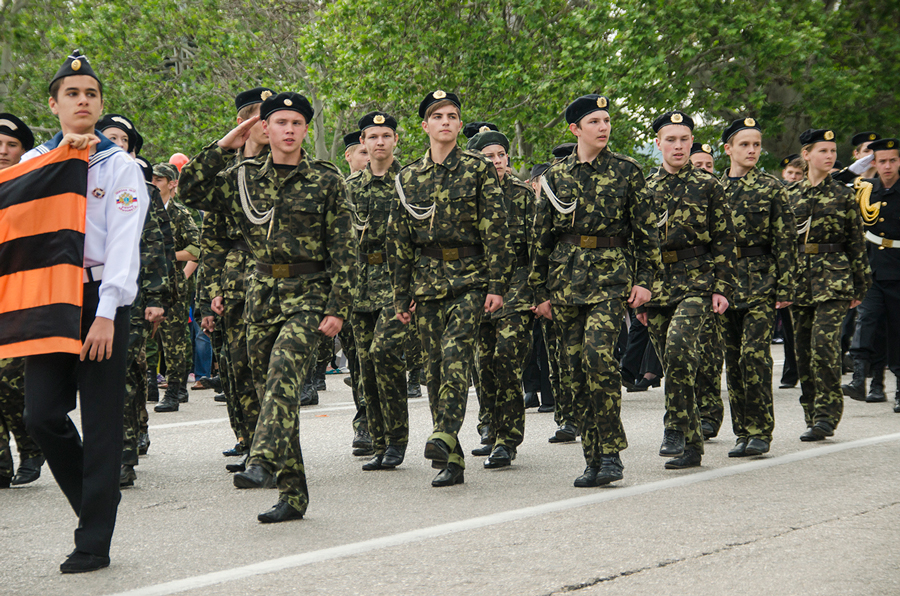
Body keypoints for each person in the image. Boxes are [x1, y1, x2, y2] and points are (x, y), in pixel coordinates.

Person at [179, 91, 355, 522]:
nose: (289, 130)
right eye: (280, 122)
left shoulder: (326, 180)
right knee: (273, 393)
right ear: (266, 128)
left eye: (296, 123)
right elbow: (189, 189)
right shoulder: (242, 177)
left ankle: (260, 458)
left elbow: (345, 249)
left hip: (309, 292)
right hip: (261, 296)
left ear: (306, 130)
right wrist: (228, 141)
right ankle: (293, 495)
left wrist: (339, 306)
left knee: (282, 374)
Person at [21, 50, 148, 572]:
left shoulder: (119, 166)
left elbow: (124, 243)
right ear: (54, 105)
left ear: (99, 105)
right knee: (41, 415)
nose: (82, 101)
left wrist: (107, 311)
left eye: (91, 94)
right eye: (72, 94)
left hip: (100, 299)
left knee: (101, 425)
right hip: (47, 299)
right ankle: (96, 504)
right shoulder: (31, 166)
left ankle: (93, 539)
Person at [531, 94, 660, 486]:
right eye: (594, 122)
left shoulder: (627, 171)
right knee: (573, 373)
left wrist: (645, 281)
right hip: (566, 283)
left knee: (598, 360)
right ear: (575, 129)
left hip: (610, 278)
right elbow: (542, 236)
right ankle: (593, 457)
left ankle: (610, 453)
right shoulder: (556, 176)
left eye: (606, 120)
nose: (603, 127)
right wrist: (539, 292)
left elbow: (646, 230)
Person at [388, 90, 513, 487]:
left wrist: (497, 284)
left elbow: (497, 230)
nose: (445, 121)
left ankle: (441, 432)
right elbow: (399, 240)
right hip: (425, 282)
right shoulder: (407, 177)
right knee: (435, 370)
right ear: (425, 126)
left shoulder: (478, 170)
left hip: (470, 278)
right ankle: (451, 458)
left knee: (456, 353)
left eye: (452, 115)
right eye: (437, 116)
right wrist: (399, 292)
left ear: (460, 125)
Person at [642, 110, 736, 470]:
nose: (678, 146)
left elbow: (726, 239)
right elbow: (637, 242)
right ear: (659, 143)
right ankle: (693, 445)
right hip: (656, 286)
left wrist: (722, 287)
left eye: (684, 139)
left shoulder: (709, 185)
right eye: (671, 139)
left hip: (697, 280)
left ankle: (675, 427)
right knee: (672, 363)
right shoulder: (646, 188)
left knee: (681, 349)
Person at [188, 87, 274, 474]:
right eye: (253, 117)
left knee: (268, 372)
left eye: (266, 116)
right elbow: (208, 236)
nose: (262, 124)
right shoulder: (225, 175)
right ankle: (249, 440)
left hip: (276, 281)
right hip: (234, 285)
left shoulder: (285, 167)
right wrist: (209, 297)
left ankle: (267, 450)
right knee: (237, 368)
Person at [717, 118, 796, 457]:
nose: (752, 151)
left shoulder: (771, 187)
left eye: (756, 145)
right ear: (728, 149)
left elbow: (785, 239)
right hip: (725, 284)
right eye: (745, 145)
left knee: (755, 355)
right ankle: (742, 431)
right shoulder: (714, 188)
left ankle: (761, 429)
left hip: (762, 280)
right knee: (732, 359)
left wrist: (786, 285)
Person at [788, 128, 870, 441]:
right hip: (800, 280)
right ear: (806, 155)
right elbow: (782, 243)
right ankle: (812, 413)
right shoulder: (790, 195)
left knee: (824, 345)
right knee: (804, 350)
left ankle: (827, 415)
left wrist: (860, 286)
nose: (830, 156)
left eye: (833, 151)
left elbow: (855, 242)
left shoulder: (843, 195)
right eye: (823, 151)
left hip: (835, 278)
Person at [468, 127, 536, 469]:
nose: (496, 162)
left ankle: (508, 439)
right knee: (484, 365)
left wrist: (540, 292)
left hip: (517, 287)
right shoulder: (467, 193)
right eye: (488, 157)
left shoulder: (522, 195)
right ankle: (490, 429)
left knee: (507, 358)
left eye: (501, 155)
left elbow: (537, 246)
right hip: (478, 287)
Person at [347, 112, 411, 470]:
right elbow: (339, 242)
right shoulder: (350, 188)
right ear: (364, 144)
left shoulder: (408, 182)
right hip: (358, 286)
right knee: (364, 365)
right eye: (373, 137)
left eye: (386, 135)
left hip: (394, 282)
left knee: (384, 354)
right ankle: (379, 440)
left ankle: (397, 440)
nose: (380, 142)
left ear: (395, 140)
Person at [0, 114, 46, 489]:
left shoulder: (35, 187)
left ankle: (31, 447)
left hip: (20, 294)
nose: (3, 151)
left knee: (10, 380)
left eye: (11, 145)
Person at [842, 137, 900, 410]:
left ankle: (898, 387)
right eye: (881, 161)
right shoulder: (865, 187)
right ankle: (860, 378)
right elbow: (833, 183)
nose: (887, 166)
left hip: (898, 268)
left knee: (896, 329)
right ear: (873, 163)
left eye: (893, 160)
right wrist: (860, 164)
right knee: (867, 320)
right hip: (872, 266)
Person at [152, 162, 200, 412]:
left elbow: (196, 248)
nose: (153, 183)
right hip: (148, 283)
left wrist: (169, 258)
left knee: (174, 340)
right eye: (151, 178)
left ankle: (173, 390)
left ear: (172, 184)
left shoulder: (181, 213)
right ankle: (152, 382)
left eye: (159, 179)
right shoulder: (143, 210)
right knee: (149, 339)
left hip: (173, 285)